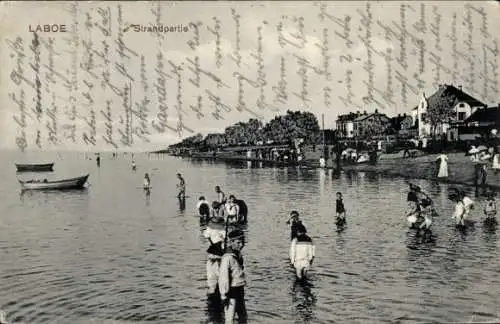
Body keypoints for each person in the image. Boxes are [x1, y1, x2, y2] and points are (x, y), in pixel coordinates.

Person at [218, 229, 247, 324]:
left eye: (243, 242)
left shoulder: (238, 254)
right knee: (230, 319)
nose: (241, 245)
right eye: (238, 242)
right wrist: (223, 295)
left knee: (243, 316)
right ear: (231, 242)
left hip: (240, 289)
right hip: (231, 292)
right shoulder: (227, 258)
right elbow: (223, 278)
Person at [204, 216, 226, 296]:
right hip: (220, 256)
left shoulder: (209, 230)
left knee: (211, 280)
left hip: (211, 255)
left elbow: (206, 235)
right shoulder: (223, 231)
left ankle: (211, 292)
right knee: (221, 278)